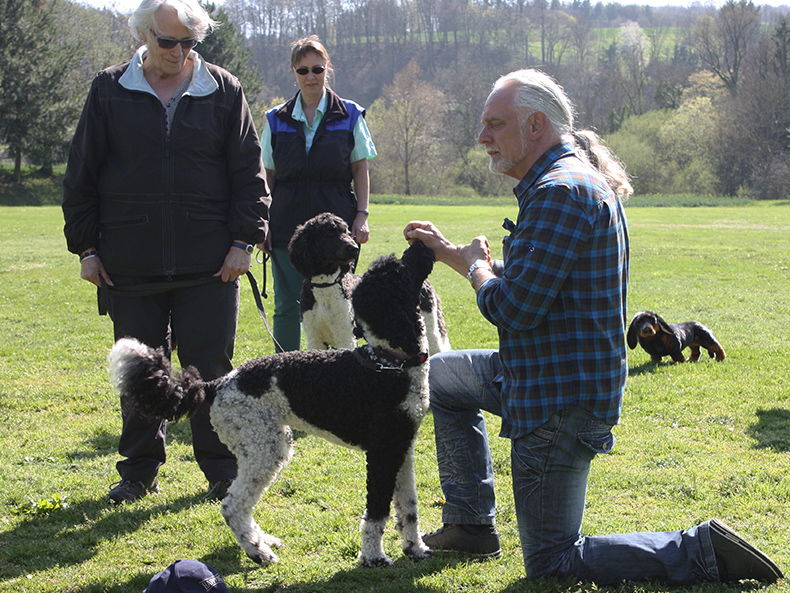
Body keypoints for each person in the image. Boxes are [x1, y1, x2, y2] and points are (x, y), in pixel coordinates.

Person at [403, 69, 783, 585]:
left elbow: (513, 309)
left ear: (535, 125)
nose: (482, 137)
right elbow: (536, 289)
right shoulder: (561, 184)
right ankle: (470, 524)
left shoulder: (560, 192)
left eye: (494, 124)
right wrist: (455, 255)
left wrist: (475, 267)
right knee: (439, 379)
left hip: (560, 401)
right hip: (535, 372)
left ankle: (700, 551)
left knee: (552, 562)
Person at [62, 0, 269, 505]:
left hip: (211, 263)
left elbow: (249, 174)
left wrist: (244, 241)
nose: (179, 52)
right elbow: (82, 174)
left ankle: (220, 470)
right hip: (129, 259)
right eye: (167, 41)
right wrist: (87, 248)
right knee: (140, 370)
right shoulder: (109, 89)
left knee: (212, 367)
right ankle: (138, 471)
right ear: (142, 35)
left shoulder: (223, 89)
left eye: (189, 43)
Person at [260, 35, 377, 352]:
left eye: (317, 68)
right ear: (293, 72)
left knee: (338, 305)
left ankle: (340, 376)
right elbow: (266, 176)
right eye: (303, 70)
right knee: (287, 306)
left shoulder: (350, 115)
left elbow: (359, 169)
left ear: (328, 69)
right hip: (285, 227)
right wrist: (263, 223)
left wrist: (362, 215)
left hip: (336, 233)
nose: (311, 76)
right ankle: (286, 376)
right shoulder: (275, 119)